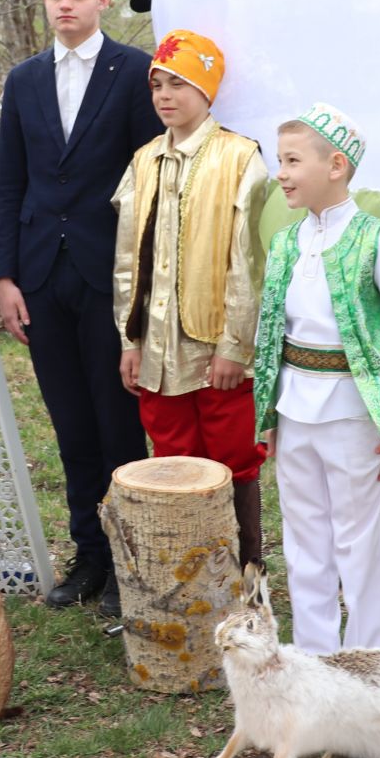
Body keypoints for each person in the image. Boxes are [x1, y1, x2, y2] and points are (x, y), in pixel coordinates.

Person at [0, 0, 161, 616]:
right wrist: (5, 274)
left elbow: (148, 182)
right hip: (40, 275)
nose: (65, 4)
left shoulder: (134, 73)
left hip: (107, 272)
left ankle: (129, 561)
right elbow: (12, 182)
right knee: (69, 425)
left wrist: (144, 286)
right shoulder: (24, 79)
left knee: (117, 421)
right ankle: (88, 554)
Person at [250, 103, 380, 652]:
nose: (280, 172)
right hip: (293, 409)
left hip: (354, 413)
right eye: (278, 160)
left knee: (358, 542)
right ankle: (314, 663)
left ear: (335, 165)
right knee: (304, 542)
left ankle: (368, 663)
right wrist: (268, 413)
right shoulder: (287, 242)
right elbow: (271, 336)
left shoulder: (378, 240)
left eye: (291, 160)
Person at [112, 29, 270, 568]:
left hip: (215, 350)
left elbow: (248, 263)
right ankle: (188, 578)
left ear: (207, 89)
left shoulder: (240, 158)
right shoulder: (144, 161)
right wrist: (129, 340)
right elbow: (128, 260)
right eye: (157, 83)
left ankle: (244, 571)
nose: (164, 94)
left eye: (178, 82)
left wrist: (235, 345)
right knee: (173, 457)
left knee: (232, 460)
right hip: (156, 349)